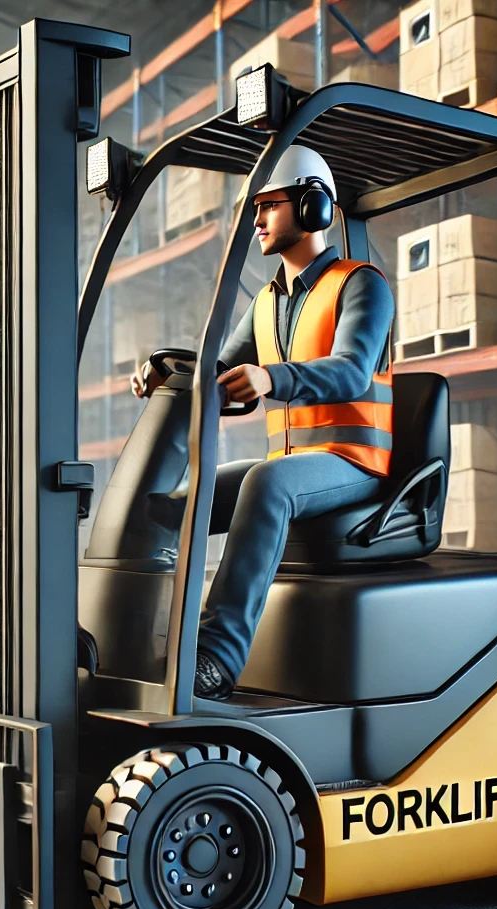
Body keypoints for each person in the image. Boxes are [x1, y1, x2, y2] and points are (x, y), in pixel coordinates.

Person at [131, 146, 395, 700]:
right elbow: (221, 370)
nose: (256, 221)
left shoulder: (361, 284)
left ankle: (217, 659)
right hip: (293, 463)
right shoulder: (266, 302)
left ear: (312, 206)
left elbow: (350, 372)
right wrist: (163, 371)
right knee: (169, 501)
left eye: (269, 206)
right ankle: (134, 634)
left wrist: (272, 378)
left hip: (355, 463)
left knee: (266, 483)